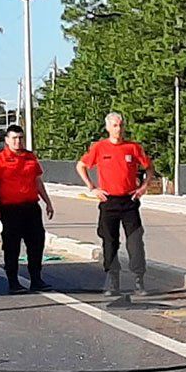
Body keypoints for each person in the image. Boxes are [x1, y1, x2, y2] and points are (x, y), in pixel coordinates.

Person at [76, 112, 153, 296]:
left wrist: (143, 187)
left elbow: (149, 168)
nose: (119, 129)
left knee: (135, 242)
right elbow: (81, 166)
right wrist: (92, 187)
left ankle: (138, 279)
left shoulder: (133, 148)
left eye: (121, 125)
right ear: (108, 128)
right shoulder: (99, 147)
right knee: (109, 242)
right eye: (115, 126)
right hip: (108, 201)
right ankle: (113, 279)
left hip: (129, 201)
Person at [0, 124, 54, 294]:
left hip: (31, 207)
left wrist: (47, 202)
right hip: (11, 209)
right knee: (12, 246)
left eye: (20, 138)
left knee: (36, 243)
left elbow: (38, 181)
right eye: (14, 138)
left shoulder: (30, 158)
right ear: (7, 140)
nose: (18, 141)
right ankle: (13, 281)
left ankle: (36, 279)